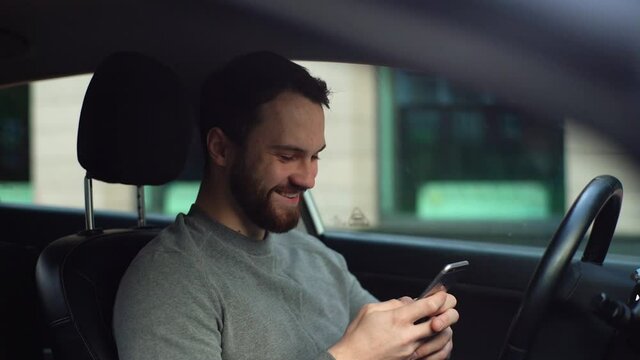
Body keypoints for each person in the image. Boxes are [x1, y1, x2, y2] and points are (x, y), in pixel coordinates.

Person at [113, 51, 458, 360]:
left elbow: (383, 345)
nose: (308, 179)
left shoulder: (315, 258)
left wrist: (417, 343)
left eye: (314, 157)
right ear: (220, 148)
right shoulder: (170, 282)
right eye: (288, 156)